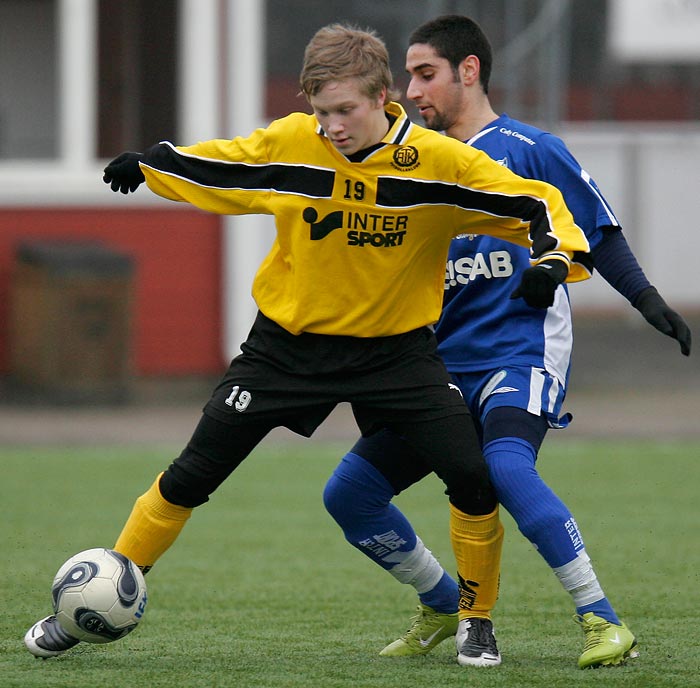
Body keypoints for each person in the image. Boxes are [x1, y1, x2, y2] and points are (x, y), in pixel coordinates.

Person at [23, 23, 591, 662]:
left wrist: (552, 261)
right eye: (320, 112)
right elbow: (229, 161)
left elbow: (534, 202)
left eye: (345, 110)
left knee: (471, 474)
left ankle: (474, 620)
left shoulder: (439, 163)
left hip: (395, 353)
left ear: (383, 97)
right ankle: (92, 603)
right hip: (286, 349)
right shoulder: (297, 143)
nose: (332, 126)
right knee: (191, 475)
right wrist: (154, 161)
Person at [322, 14, 692, 670]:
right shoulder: (413, 164)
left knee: (506, 467)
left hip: (520, 351)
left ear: (469, 71)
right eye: (409, 74)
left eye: (425, 73)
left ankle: (602, 620)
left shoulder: (529, 148)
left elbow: (596, 231)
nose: (411, 88)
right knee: (348, 494)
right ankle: (442, 601)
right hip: (439, 364)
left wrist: (647, 301)